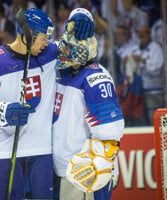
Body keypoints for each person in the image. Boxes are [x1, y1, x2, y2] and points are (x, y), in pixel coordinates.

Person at [0, 7, 94, 200]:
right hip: (2, 151)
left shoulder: (51, 53)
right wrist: (2, 112)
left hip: (41, 148)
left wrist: (80, 17)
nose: (47, 43)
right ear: (26, 34)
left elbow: (81, 50)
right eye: (43, 37)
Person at [53, 10, 124, 200]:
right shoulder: (64, 72)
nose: (62, 51)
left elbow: (109, 133)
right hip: (64, 171)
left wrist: (94, 170)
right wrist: (77, 17)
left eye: (67, 48)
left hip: (84, 174)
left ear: (81, 52)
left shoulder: (95, 78)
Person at [129, 25, 164, 125]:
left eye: (144, 33)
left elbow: (157, 69)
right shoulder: (134, 49)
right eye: (139, 34)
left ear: (149, 34)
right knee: (140, 118)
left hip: (153, 90)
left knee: (153, 117)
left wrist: (143, 61)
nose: (141, 36)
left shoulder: (156, 49)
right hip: (137, 91)